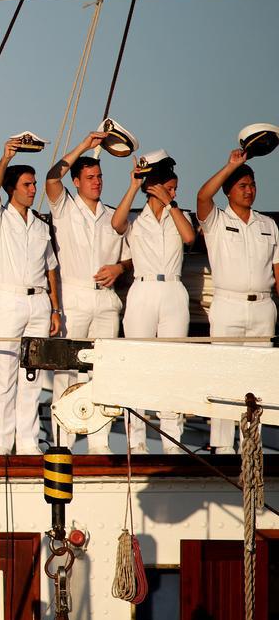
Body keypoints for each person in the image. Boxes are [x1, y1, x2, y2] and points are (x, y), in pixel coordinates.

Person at [45, 131, 130, 454]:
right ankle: (62, 441)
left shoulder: (113, 214)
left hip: (106, 299)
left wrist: (120, 268)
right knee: (66, 370)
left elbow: (133, 253)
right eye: (90, 177)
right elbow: (53, 178)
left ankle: (99, 442)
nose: (97, 182)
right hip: (75, 295)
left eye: (99, 177)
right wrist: (84, 146)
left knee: (103, 371)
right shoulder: (64, 207)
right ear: (77, 182)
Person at [196, 148, 279, 454]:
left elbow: (277, 268)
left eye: (252, 185)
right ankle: (220, 444)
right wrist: (229, 165)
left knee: (258, 378)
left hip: (263, 306)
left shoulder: (268, 225)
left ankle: (251, 445)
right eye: (242, 186)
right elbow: (203, 198)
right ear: (229, 190)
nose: (249, 191)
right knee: (225, 372)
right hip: (228, 304)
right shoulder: (217, 220)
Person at [111, 151, 194, 454]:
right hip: (143, 288)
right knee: (137, 364)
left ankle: (173, 441)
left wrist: (171, 204)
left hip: (172, 288)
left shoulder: (177, 215)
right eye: (169, 188)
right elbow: (116, 223)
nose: (174, 193)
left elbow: (189, 238)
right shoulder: (136, 219)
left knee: (172, 365)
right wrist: (135, 186)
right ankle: (136, 441)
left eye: (174, 189)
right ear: (154, 187)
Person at [0, 137, 61, 455]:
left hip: (39, 302)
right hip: (9, 299)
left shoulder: (42, 225)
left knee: (33, 376)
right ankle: (1, 443)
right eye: (28, 184)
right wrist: (5, 158)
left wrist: (56, 309)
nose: (33, 189)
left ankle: (28, 441)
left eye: (34, 184)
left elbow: (51, 267)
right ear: (12, 187)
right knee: (4, 376)